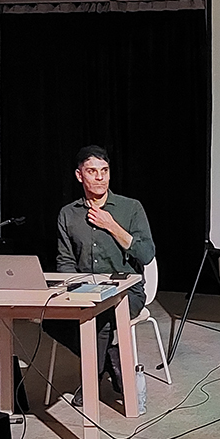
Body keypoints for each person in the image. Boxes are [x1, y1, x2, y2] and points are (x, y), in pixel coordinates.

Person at [51, 145, 155, 407]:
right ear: (79, 175)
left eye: (104, 171)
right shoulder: (68, 213)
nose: (99, 177)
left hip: (126, 291)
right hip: (84, 289)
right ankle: (111, 358)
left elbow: (146, 254)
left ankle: (90, 380)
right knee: (49, 318)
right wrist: (73, 288)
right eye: (92, 171)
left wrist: (112, 226)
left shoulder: (130, 208)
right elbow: (65, 260)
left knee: (102, 318)